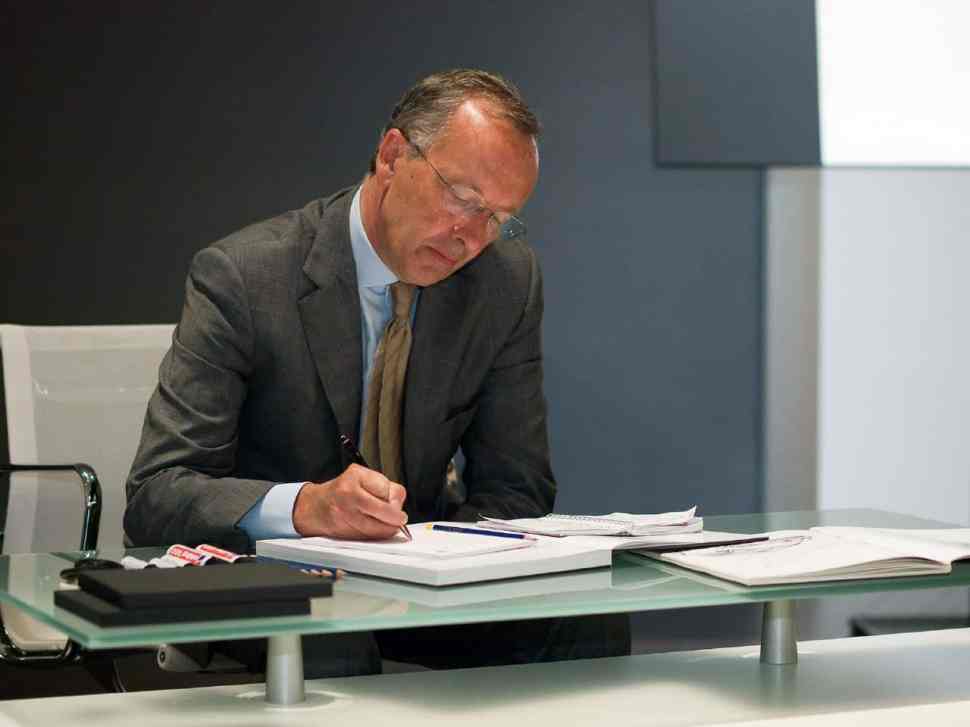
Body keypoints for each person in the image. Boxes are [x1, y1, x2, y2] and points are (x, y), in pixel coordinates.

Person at [125, 68, 630, 675]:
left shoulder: (505, 281)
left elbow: (517, 488)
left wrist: (442, 555)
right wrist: (306, 506)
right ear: (393, 156)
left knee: (586, 617)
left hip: (414, 569)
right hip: (270, 576)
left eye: (498, 217)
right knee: (335, 638)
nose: (472, 236)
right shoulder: (245, 277)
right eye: (463, 198)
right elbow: (158, 491)